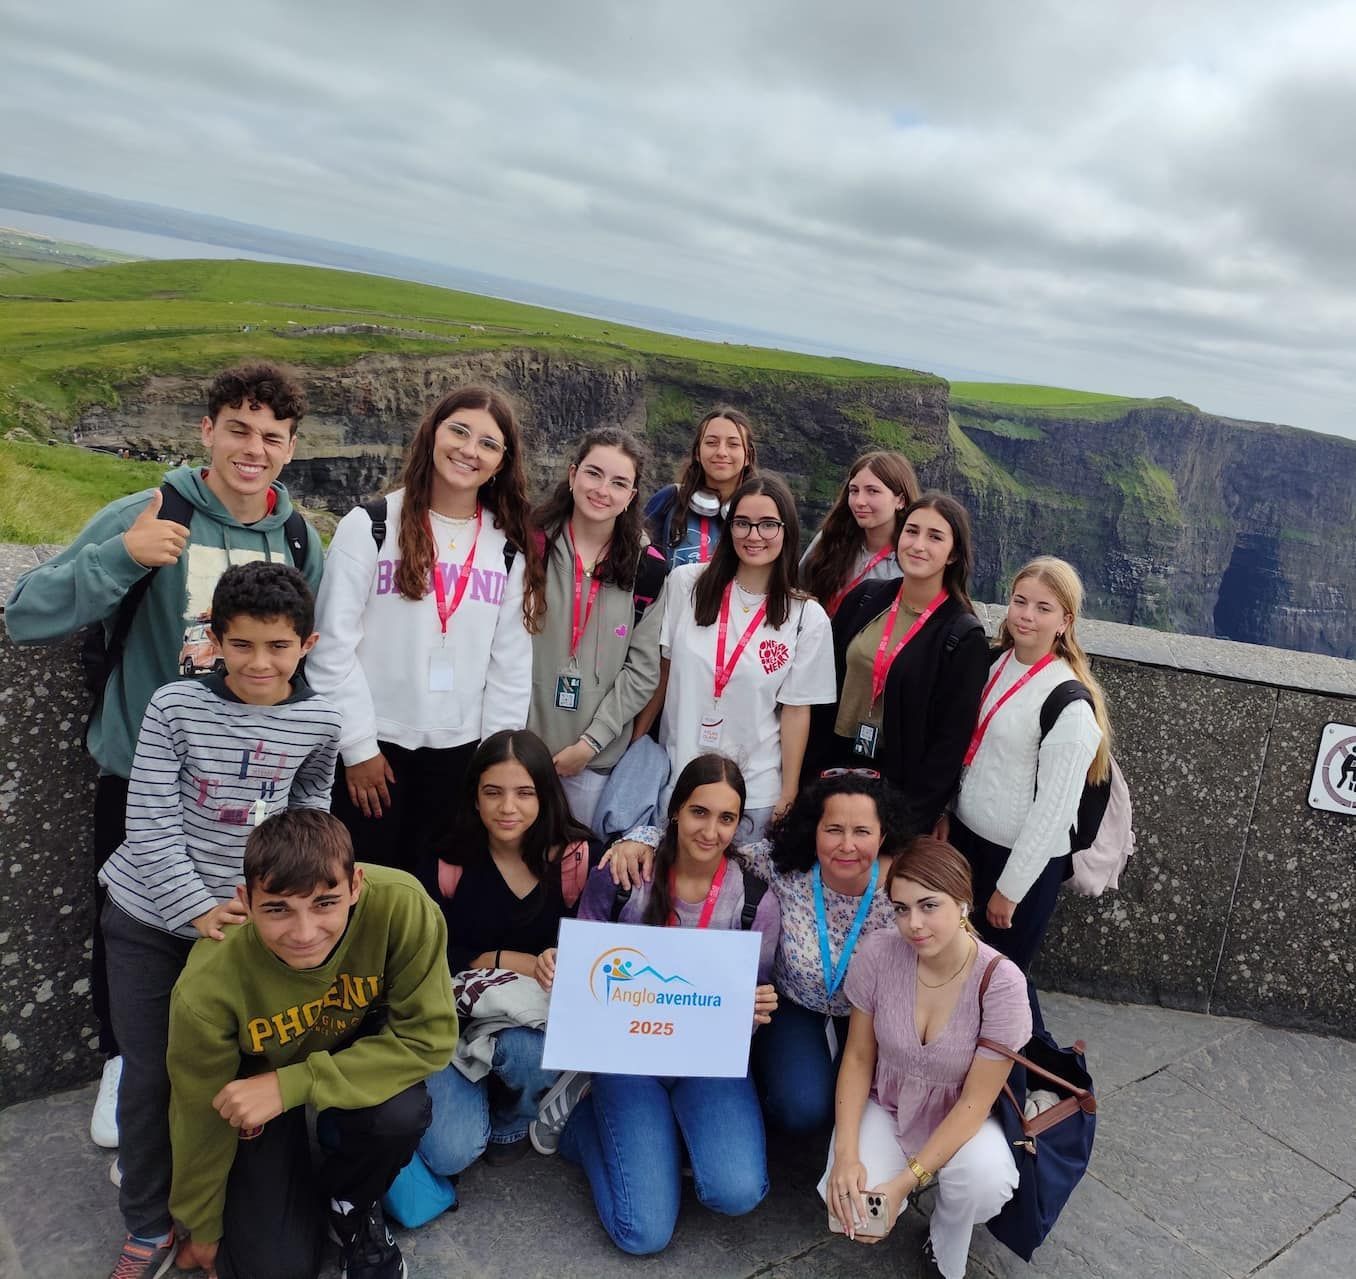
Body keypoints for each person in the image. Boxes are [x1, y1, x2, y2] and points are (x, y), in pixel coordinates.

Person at [3, 361, 320, 1150]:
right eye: (237, 429)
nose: (253, 449)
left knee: (237, 926)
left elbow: (304, 660)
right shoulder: (147, 511)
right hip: (142, 772)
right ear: (207, 430)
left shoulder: (298, 538)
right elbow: (25, 613)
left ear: (290, 448)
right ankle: (122, 1064)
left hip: (250, 783)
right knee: (131, 926)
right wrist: (125, 554)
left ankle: (212, 1067)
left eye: (271, 436)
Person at [95, 562, 342, 1278]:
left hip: (241, 931)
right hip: (149, 919)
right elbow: (149, 820)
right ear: (216, 639)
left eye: (278, 646)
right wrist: (196, 908)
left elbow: (310, 809)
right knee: (149, 1076)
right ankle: (147, 1222)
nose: (259, 662)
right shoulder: (174, 707)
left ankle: (215, 1200)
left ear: (307, 644)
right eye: (241, 645)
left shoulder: (321, 720)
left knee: (228, 1072)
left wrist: (281, 908)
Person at [167, 809, 456, 1279]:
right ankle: (297, 1166)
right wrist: (202, 1226)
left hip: (339, 1058)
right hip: (255, 1085)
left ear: (356, 885)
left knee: (399, 1115)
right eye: (277, 909)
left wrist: (293, 1085)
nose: (304, 933)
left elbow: (429, 1038)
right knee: (274, 1269)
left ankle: (352, 1205)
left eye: (325, 903)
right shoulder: (208, 983)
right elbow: (196, 1112)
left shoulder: (402, 906)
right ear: (245, 901)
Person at [540, 754, 781, 1255]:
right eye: (699, 812)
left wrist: (755, 1010)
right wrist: (560, 964)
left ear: (740, 824)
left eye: (726, 818)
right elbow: (585, 960)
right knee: (642, 1234)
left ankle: (659, 1134)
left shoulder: (755, 900)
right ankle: (584, 1126)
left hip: (705, 1063)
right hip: (627, 1058)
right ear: (674, 811)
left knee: (737, 1191)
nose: (710, 831)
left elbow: (748, 1002)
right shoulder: (625, 874)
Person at [308, 385, 543, 877]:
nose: (469, 450)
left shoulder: (508, 547)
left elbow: (510, 666)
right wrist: (358, 747)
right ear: (432, 433)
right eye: (459, 431)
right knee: (362, 887)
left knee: (435, 896)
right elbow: (331, 648)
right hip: (375, 751)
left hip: (462, 757)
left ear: (501, 463)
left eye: (488, 443)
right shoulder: (370, 525)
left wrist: (492, 766)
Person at [602, 771, 904, 1133]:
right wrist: (640, 840)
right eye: (834, 829)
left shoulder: (904, 885)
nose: (847, 845)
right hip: (796, 1003)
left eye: (862, 832)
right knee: (803, 1107)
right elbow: (709, 848)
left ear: (882, 835)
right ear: (814, 829)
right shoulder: (784, 864)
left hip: (872, 1013)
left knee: (866, 1105)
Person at [821, 838, 1032, 1279]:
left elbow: (975, 1102)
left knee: (984, 1182)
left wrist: (904, 1183)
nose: (913, 924)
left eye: (928, 906)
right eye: (901, 909)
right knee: (849, 1199)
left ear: (963, 902)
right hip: (890, 1102)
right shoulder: (879, 953)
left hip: (963, 1117)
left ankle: (945, 1233)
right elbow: (857, 1058)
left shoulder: (1002, 982)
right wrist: (845, 1154)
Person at [415, 730, 593, 1177]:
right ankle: (487, 1087)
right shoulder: (448, 857)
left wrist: (559, 957)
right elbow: (428, 953)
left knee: (525, 1053)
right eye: (493, 792)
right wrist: (513, 961)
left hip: (531, 1022)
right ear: (475, 797)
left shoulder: (573, 858)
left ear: (545, 796)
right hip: (456, 1016)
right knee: (451, 1153)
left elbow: (598, 943)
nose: (507, 807)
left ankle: (514, 1121)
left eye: (524, 793)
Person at [639, 474, 836, 840]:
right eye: (742, 523)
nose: (753, 535)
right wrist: (634, 747)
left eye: (768, 524)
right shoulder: (686, 584)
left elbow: (795, 712)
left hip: (754, 793)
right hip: (678, 780)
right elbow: (661, 675)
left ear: (787, 530)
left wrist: (788, 793)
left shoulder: (806, 617)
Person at [949, 557, 1109, 973]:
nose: (1026, 616)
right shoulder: (994, 664)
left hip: (1017, 864)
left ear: (1065, 621)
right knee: (953, 971)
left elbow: (1053, 814)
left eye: (1043, 608)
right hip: (966, 842)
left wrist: (1011, 889)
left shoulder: (1068, 705)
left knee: (998, 981)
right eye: (1020, 601)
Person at [807, 492, 989, 838]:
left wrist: (910, 824)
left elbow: (949, 745)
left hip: (897, 791)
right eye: (912, 531)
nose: (918, 545)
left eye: (935, 537)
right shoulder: (865, 598)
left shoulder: (962, 636)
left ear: (953, 554)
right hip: (833, 771)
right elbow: (822, 687)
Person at [528, 428, 668, 831]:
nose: (603, 490)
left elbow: (642, 671)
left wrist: (590, 744)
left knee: (576, 864)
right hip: (519, 750)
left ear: (632, 496)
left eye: (619, 483)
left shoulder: (648, 568)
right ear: (572, 475)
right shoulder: (529, 545)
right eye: (593, 473)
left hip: (593, 763)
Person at [801, 451, 918, 616]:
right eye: (854, 490)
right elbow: (796, 588)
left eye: (872, 491)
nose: (859, 501)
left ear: (900, 500)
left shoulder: (912, 561)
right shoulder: (830, 540)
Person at [644, 407, 757, 568]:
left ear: (748, 456)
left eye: (733, 444)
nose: (721, 452)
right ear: (697, 452)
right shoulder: (670, 499)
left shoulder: (760, 510)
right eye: (711, 443)